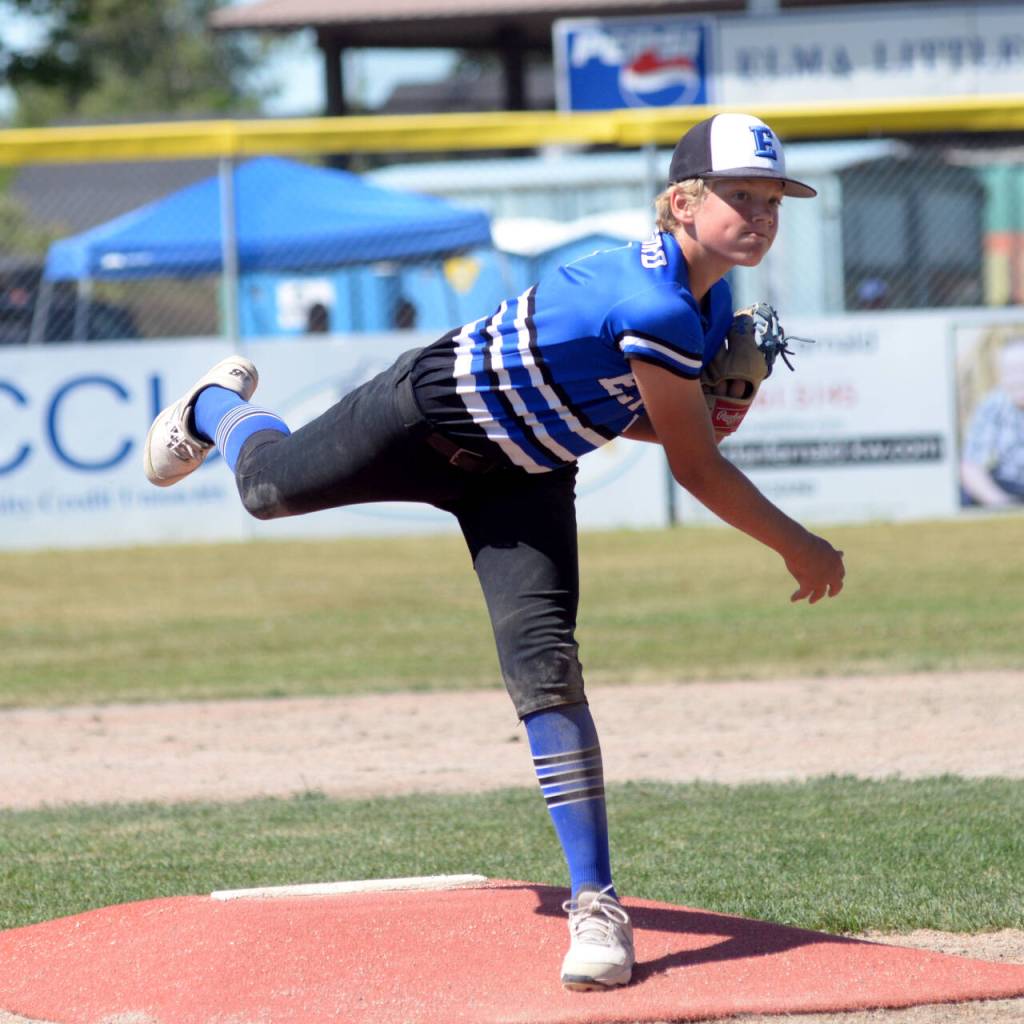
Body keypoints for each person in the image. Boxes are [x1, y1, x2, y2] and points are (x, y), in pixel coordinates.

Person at [143, 112, 845, 992]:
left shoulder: (705, 307)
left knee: (547, 671)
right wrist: (800, 543)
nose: (763, 212)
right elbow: (699, 470)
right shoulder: (657, 300)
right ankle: (217, 408)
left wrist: (697, 414)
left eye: (773, 197)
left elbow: (608, 411)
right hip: (422, 419)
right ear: (680, 202)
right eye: (741, 194)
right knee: (264, 489)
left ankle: (596, 906)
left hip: (528, 476)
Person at [961, 334, 1024, 506]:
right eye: (1010, 371)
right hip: (1009, 489)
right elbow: (971, 467)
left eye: (1022, 370)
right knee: (965, 495)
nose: (1018, 378)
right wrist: (1001, 503)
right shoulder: (993, 406)